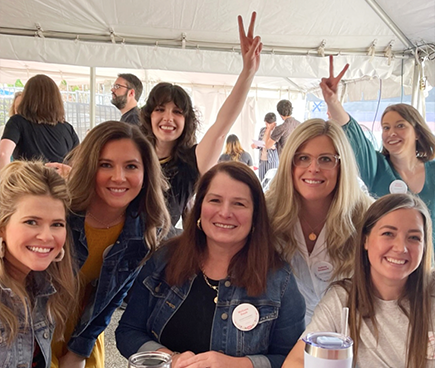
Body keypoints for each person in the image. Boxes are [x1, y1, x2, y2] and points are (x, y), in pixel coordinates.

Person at [116, 162, 306, 368]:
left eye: (239, 204)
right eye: (215, 200)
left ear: (255, 216)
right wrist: (171, 359)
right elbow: (128, 331)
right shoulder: (164, 259)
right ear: (199, 208)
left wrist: (237, 365)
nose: (225, 213)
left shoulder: (279, 279)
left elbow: (291, 359)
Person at [51, 121, 170, 368]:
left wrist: (78, 351)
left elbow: (112, 297)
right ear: (88, 166)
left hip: (85, 328)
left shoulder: (144, 229)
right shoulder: (59, 209)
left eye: (131, 166)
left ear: (146, 172)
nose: (119, 177)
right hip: (34, 324)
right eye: (105, 165)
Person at [283, 193, 434, 368]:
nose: (401, 248)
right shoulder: (342, 300)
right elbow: (294, 363)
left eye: (414, 237)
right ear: (365, 240)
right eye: (388, 234)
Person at [140, 12, 262, 228]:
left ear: (187, 121)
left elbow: (222, 127)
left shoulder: (191, 161)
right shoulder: (134, 153)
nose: (168, 118)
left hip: (157, 255)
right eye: (160, 109)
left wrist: (248, 72)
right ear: (149, 115)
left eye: (177, 112)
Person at [266, 119, 373, 323]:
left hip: (348, 340)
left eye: (325, 159)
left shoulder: (367, 217)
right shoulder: (266, 214)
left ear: (342, 166)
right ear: (289, 163)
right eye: (303, 158)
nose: (313, 168)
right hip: (279, 344)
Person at [320, 55, 435, 244]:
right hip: (392, 264)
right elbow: (355, 138)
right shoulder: (376, 168)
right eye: (386, 127)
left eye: (400, 126)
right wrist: (333, 102)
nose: (391, 133)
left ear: (417, 133)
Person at [0, 161, 77, 368]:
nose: (46, 236)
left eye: (56, 224)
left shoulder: (45, 286)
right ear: (2, 227)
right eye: (31, 222)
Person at [0, 75, 79, 170]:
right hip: (58, 183)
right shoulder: (68, 128)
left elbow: (3, 153)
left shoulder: (17, 122)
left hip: (28, 182)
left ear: (27, 97)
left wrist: (6, 181)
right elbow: (78, 162)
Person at [251, 112, 279, 181]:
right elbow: (260, 142)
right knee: (262, 179)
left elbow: (277, 145)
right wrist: (256, 145)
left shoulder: (277, 131)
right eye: (266, 123)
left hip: (272, 159)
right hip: (262, 158)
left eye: (269, 124)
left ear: (274, 123)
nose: (267, 125)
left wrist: (270, 145)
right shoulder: (262, 130)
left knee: (271, 181)